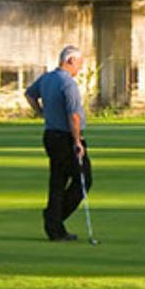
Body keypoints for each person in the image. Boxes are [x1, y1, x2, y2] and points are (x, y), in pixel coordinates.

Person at [27, 45, 90, 242]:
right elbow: (73, 115)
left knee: (57, 182)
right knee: (83, 180)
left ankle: (55, 228)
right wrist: (77, 141)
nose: (79, 69)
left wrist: (41, 112)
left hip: (50, 136)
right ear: (70, 60)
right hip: (66, 138)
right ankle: (53, 218)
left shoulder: (47, 78)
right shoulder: (67, 83)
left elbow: (30, 94)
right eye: (79, 64)